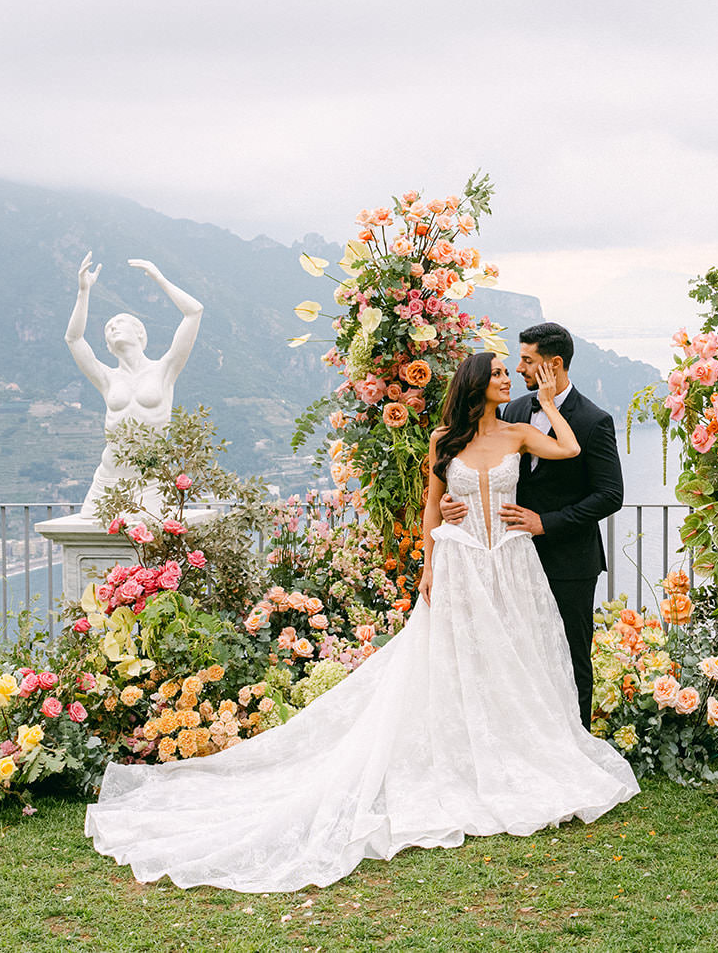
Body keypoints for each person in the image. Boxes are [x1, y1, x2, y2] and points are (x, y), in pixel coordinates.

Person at [84, 352, 638, 893]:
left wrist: (548, 403)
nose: (505, 379)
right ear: (474, 383)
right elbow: (431, 505)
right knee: (460, 660)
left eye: (506, 372)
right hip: (463, 561)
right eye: (496, 373)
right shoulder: (443, 440)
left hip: (513, 565)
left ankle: (515, 751)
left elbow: (568, 448)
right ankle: (463, 757)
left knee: (515, 657)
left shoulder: (520, 429)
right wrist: (427, 564)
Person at [440, 322, 624, 728]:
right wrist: (451, 500)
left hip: (569, 560)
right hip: (511, 558)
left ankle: (576, 741)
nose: (518, 369)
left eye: (526, 361)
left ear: (553, 364)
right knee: (517, 654)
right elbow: (483, 461)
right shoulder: (517, 410)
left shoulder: (595, 420)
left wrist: (546, 523)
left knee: (570, 655)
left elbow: (611, 495)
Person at [65, 253, 203, 517]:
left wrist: (160, 278)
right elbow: (74, 339)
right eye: (108, 327)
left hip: (150, 482)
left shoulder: (165, 369)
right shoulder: (107, 378)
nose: (113, 328)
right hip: (108, 479)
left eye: (120, 323)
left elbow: (194, 312)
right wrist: (84, 291)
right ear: (107, 345)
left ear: (140, 332)